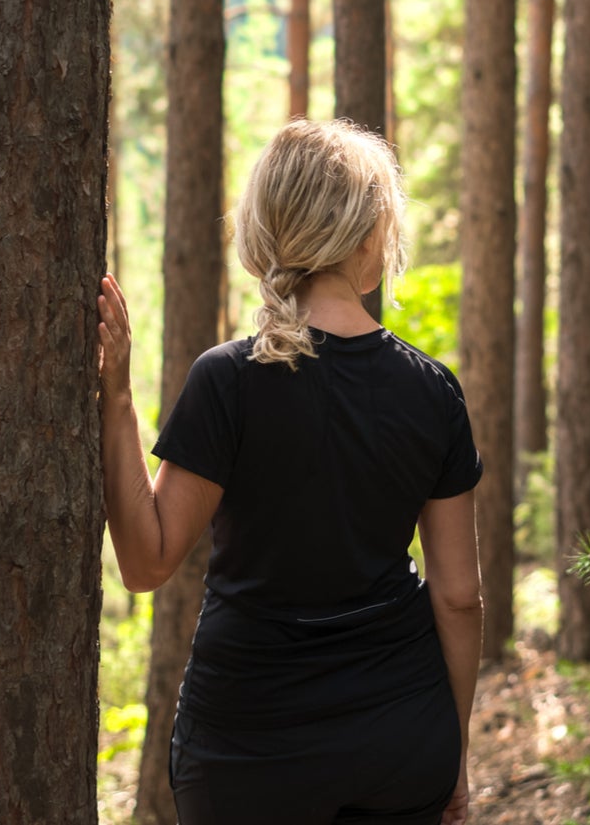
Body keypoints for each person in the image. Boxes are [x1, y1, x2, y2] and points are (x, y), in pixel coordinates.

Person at [99, 118, 484, 825]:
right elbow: (458, 598)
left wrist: (116, 400)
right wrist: (452, 747)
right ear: (367, 234)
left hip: (247, 745)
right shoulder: (433, 391)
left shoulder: (228, 379)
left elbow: (146, 561)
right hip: (399, 737)